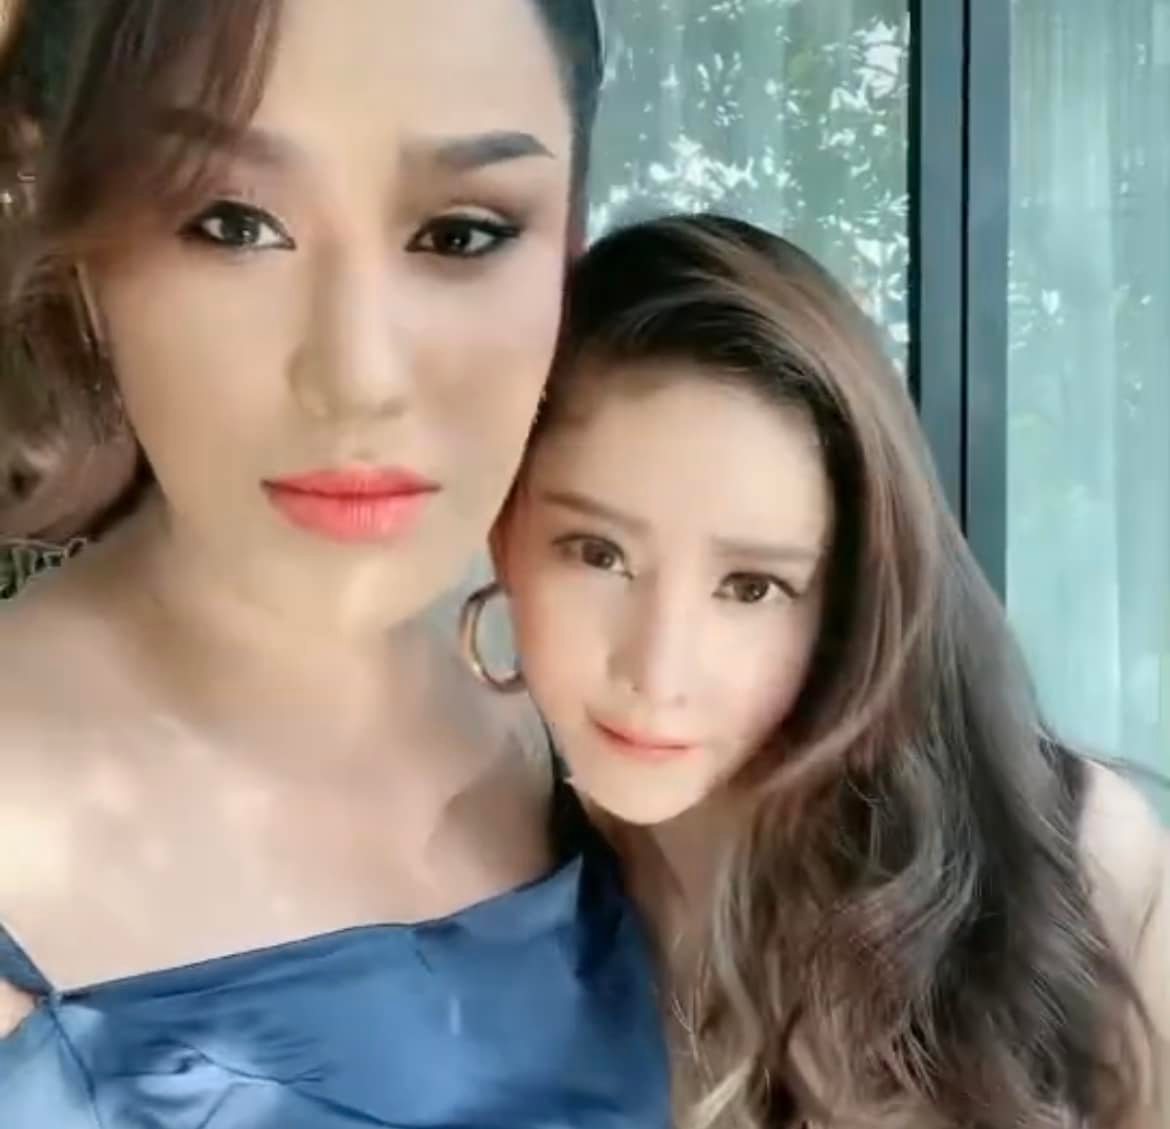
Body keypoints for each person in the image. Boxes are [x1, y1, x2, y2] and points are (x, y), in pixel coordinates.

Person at [0, 2, 669, 1127]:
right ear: (80, 253)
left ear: (570, 242)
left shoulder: (619, 719)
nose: (358, 374)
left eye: (462, 234)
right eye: (230, 223)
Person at [484, 213, 1170, 1127]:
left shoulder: (1072, 864)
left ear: (849, 597)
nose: (658, 669)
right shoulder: (477, 879)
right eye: (598, 553)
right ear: (504, 528)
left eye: (752, 587)